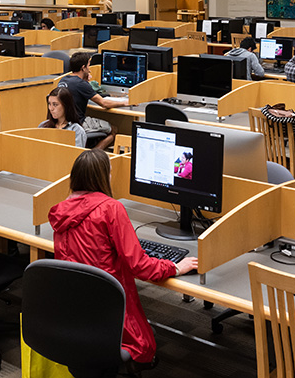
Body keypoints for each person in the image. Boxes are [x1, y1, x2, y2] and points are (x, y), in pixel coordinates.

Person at [49, 150, 197, 369]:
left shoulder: (61, 211)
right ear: (101, 178)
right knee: (145, 346)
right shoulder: (111, 209)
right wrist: (175, 266)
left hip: (73, 310)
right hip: (108, 310)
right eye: (108, 173)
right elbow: (141, 266)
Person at [58, 51, 123, 151]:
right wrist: (126, 102)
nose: (90, 70)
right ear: (83, 67)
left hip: (63, 123)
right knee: (114, 130)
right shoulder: (81, 84)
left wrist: (85, 81)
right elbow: (104, 103)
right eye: (88, 66)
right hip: (79, 122)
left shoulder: (63, 80)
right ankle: (92, 154)